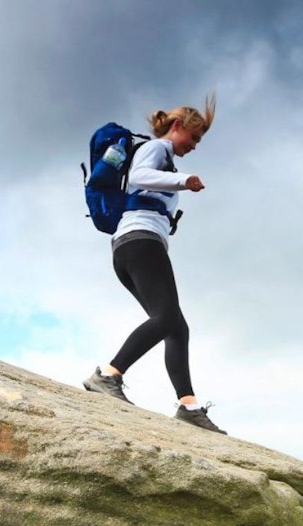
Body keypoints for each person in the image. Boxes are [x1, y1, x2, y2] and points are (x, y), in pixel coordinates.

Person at [82, 94, 226, 434]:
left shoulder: (166, 156)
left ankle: (188, 406)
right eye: (194, 137)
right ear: (178, 127)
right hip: (140, 241)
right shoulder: (157, 149)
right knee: (165, 318)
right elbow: (141, 175)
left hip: (135, 245)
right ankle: (108, 375)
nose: (194, 145)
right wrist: (183, 181)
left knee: (176, 326)